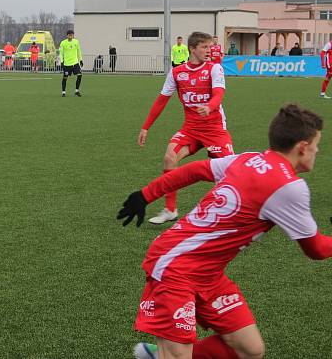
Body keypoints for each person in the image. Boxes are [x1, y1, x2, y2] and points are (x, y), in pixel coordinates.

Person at [119, 104, 332, 359]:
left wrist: (146, 194)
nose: (318, 150)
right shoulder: (289, 187)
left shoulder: (250, 158)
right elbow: (317, 249)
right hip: (175, 265)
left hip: (208, 274)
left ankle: (159, 355)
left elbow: (195, 169)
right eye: (316, 144)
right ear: (303, 146)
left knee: (250, 350)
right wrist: (146, 194)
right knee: (177, 355)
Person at [138, 31, 234, 225]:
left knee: (228, 174)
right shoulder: (176, 72)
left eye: (210, 47)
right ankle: (170, 209)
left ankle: (236, 213)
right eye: (204, 47)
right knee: (169, 157)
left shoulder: (214, 69)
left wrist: (210, 106)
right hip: (190, 129)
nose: (209, 51)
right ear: (192, 48)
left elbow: (219, 94)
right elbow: (161, 100)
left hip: (214, 129)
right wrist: (145, 127)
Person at [59, 30, 83, 97]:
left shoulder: (76, 42)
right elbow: (61, 53)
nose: (70, 36)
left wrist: (80, 60)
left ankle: (76, 91)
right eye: (69, 35)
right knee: (65, 78)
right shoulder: (63, 43)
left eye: (71, 35)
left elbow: (79, 51)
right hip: (67, 64)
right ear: (67, 35)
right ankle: (63, 92)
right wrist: (61, 62)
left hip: (75, 63)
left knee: (80, 75)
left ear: (73, 35)